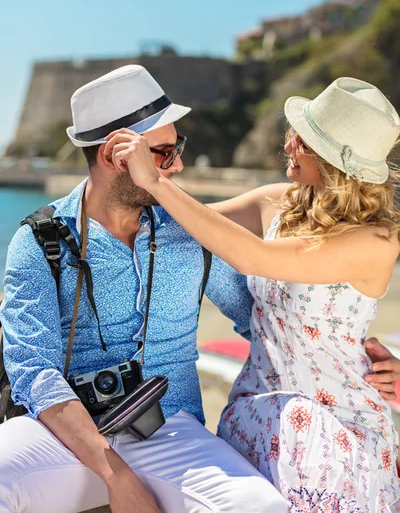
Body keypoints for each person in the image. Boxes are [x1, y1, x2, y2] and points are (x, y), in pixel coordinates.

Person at [0, 66, 288, 513]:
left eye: (179, 149)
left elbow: (262, 323)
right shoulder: (40, 241)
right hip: (68, 434)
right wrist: (117, 476)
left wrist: (355, 358)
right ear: (118, 154)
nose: (178, 165)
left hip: (169, 427)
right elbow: (34, 371)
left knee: (260, 507)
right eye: (165, 153)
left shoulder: (190, 231)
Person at [111, 77, 400, 512]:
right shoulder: (278, 203)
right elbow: (184, 228)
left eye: (300, 139)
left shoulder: (377, 240)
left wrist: (156, 180)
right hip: (257, 414)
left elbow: (249, 256)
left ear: (332, 159)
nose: (288, 145)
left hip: (337, 425)